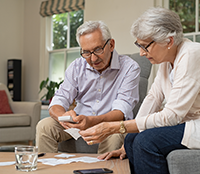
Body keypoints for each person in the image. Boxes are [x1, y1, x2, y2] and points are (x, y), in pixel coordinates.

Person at [79, 7, 200, 174]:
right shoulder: (166, 61)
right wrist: (125, 142)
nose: (142, 53)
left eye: (145, 46)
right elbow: (153, 98)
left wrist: (115, 127)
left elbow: (172, 116)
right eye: (139, 45)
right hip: (185, 123)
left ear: (169, 41)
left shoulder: (192, 54)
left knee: (145, 142)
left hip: (196, 125)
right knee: (131, 139)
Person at [36, 20, 140, 154]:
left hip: (110, 125)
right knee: (45, 126)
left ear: (111, 45)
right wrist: (64, 116)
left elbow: (120, 112)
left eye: (97, 50)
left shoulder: (130, 68)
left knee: (115, 135)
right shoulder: (76, 66)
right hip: (79, 123)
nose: (93, 59)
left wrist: (90, 121)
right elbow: (59, 99)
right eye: (86, 52)